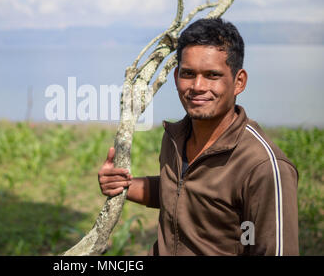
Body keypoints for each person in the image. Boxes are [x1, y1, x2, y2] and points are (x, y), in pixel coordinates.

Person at [98, 18, 299, 256]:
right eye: (188, 74)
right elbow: (181, 191)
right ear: (176, 78)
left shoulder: (263, 165)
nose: (198, 86)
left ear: (239, 82)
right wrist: (124, 185)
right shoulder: (175, 137)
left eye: (212, 75)